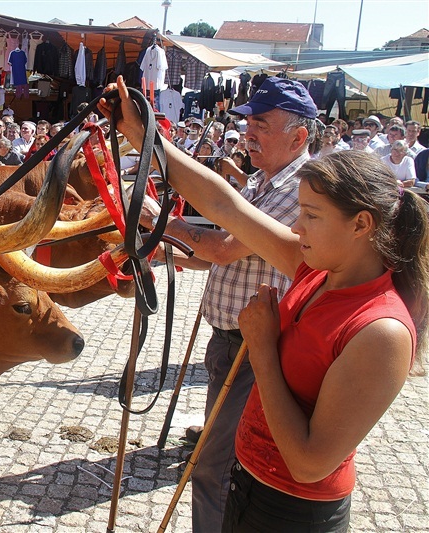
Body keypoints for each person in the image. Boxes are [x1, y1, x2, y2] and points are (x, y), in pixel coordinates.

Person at [102, 74, 427, 533]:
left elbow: (310, 464)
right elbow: (224, 205)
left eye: (310, 216)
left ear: (361, 225)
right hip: (250, 486)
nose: (299, 228)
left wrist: (262, 345)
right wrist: (142, 132)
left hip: (292, 512)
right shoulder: (312, 269)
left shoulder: (382, 330)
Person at [138, 76, 318, 532]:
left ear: (299, 136)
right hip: (229, 346)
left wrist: (158, 219)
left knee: (213, 468)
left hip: (254, 351)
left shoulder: (301, 192)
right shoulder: (261, 181)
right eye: (248, 122)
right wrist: (157, 247)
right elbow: (215, 261)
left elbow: (221, 248)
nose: (248, 133)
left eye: (261, 123)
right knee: (222, 460)